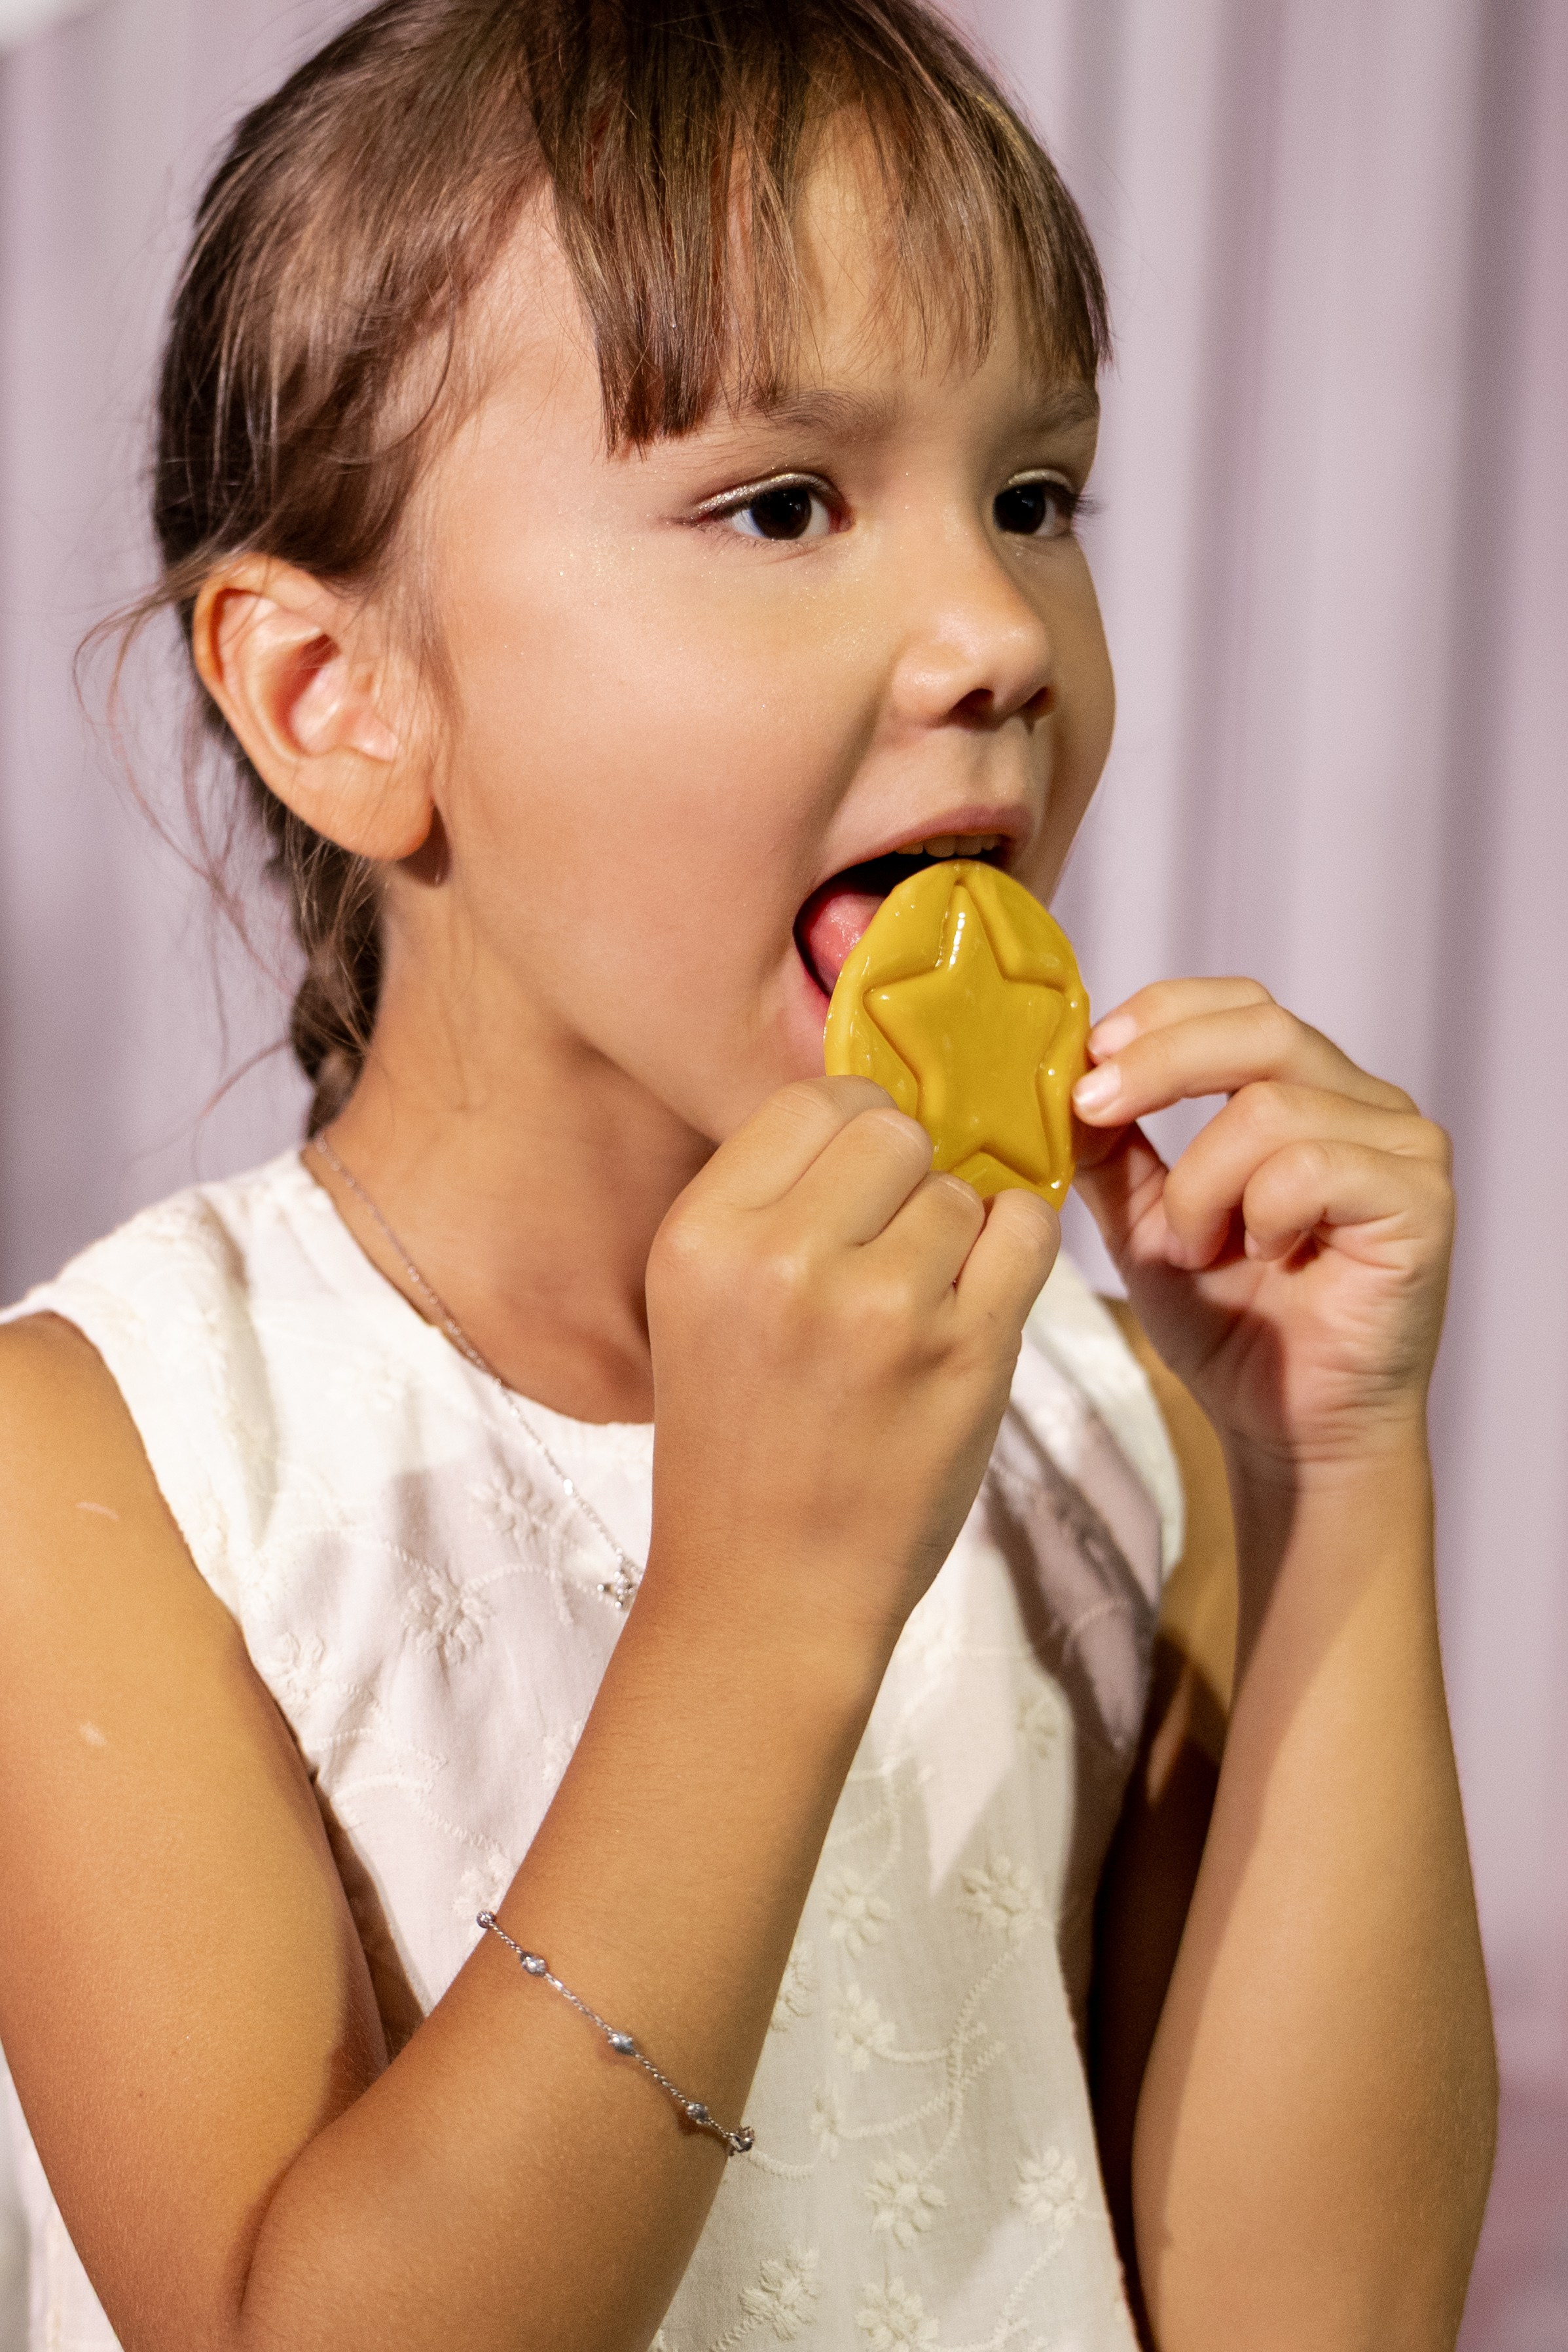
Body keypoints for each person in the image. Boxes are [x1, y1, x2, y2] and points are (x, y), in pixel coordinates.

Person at [0, 4, 1497, 2348]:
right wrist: (765, 1609)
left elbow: (1326, 2318)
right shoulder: (97, 1478)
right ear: (336, 703)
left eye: (1034, 496)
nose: (1001, 636)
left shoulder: (1102, 1447)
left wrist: (1332, 1479)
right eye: (779, 503)